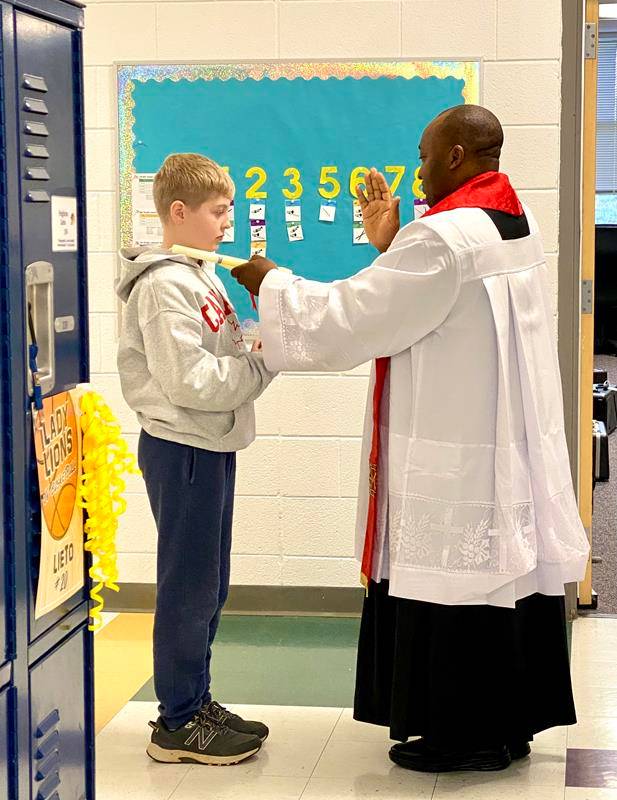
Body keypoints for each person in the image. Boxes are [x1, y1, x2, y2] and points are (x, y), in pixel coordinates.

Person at [231, 106, 590, 773]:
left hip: (453, 443)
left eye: (423, 153)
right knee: (501, 583)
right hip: (499, 439)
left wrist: (271, 284)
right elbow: (433, 302)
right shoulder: (511, 218)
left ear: (454, 155)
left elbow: (355, 318)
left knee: (457, 582)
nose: (416, 166)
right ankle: (504, 727)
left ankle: (464, 735)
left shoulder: (442, 238)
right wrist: (393, 240)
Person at [116, 153, 277, 765]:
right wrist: (262, 364)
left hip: (210, 443)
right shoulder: (162, 285)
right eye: (218, 210)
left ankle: (196, 700)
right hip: (182, 445)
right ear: (178, 212)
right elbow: (192, 383)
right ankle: (177, 723)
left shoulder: (199, 273)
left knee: (209, 584)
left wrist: (257, 348)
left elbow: (223, 354)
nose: (227, 221)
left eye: (230, 208)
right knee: (189, 588)